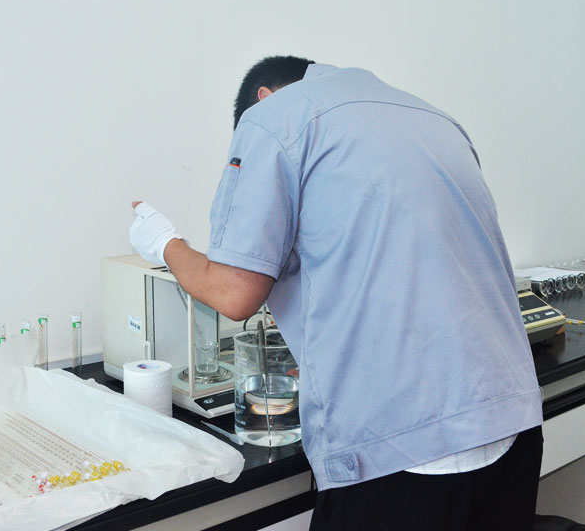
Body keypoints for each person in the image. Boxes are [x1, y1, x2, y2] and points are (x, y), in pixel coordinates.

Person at [129, 56, 543, 530]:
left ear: (263, 98)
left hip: (404, 450)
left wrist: (164, 242)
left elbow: (232, 293)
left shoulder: (273, 117)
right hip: (512, 424)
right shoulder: (431, 117)